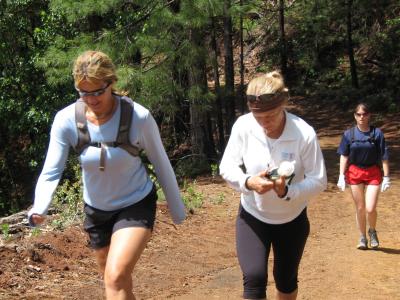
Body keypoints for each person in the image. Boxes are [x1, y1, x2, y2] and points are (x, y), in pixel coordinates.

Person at [28, 50, 186, 299]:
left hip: (135, 203)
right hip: (96, 211)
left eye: (97, 92)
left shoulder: (138, 117)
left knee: (115, 276)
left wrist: (177, 209)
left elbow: (161, 162)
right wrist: (40, 206)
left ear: (111, 83)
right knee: (116, 281)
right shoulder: (66, 120)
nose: (90, 99)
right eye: (83, 93)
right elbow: (52, 169)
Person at [219, 71, 327, 300]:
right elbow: (226, 167)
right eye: (258, 117)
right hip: (252, 215)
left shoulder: (303, 133)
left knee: (285, 280)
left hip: (292, 219)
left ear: (284, 105)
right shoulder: (244, 126)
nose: (264, 123)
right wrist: (247, 182)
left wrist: (288, 191)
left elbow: (319, 180)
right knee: (254, 279)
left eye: (271, 116)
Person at [337, 103, 390, 250]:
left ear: (369, 115)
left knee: (370, 208)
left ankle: (372, 231)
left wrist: (386, 177)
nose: (361, 117)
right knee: (360, 207)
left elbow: (384, 156)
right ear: (355, 116)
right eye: (359, 114)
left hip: (373, 172)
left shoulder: (377, 133)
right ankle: (362, 237)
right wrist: (341, 175)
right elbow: (344, 155)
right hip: (355, 172)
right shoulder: (349, 134)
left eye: (364, 114)